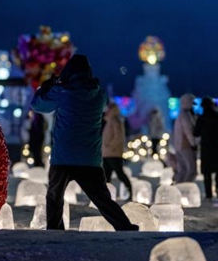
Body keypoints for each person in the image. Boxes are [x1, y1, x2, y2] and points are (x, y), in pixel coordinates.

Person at [30, 54, 138, 231]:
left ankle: (55, 232)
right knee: (102, 199)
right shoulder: (99, 94)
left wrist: (47, 87)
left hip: (63, 157)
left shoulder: (62, 92)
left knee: (55, 198)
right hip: (89, 157)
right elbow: (102, 102)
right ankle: (125, 226)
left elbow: (38, 105)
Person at [193, 97, 218, 200]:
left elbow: (196, 132)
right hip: (217, 146)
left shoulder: (201, 118)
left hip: (206, 147)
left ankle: (208, 193)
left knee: (207, 171)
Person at [102, 101, 133, 199]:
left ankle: (130, 191)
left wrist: (109, 146)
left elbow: (119, 137)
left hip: (113, 153)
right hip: (107, 153)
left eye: (108, 108)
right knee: (107, 175)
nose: (106, 110)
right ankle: (106, 195)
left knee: (119, 173)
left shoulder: (115, 120)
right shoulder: (110, 120)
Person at [172, 93, 197, 183]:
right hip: (185, 145)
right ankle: (183, 189)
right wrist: (193, 144)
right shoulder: (185, 115)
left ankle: (178, 187)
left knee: (183, 170)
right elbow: (188, 131)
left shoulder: (181, 114)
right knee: (191, 170)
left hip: (179, 145)